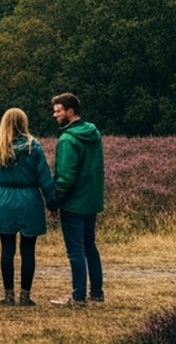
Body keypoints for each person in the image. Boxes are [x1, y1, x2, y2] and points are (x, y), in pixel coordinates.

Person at [0, 107, 55, 305]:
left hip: (5, 198)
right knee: (28, 249)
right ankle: (25, 296)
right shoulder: (34, 147)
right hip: (30, 198)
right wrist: (52, 203)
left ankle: (8, 295)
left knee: (7, 248)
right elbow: (45, 179)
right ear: (24, 123)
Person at [50, 92, 105, 306]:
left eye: (58, 111)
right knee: (90, 245)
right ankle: (97, 292)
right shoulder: (94, 133)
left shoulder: (67, 140)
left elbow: (65, 177)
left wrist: (54, 201)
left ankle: (78, 296)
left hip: (74, 202)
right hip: (91, 201)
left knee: (75, 250)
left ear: (69, 111)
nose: (55, 115)